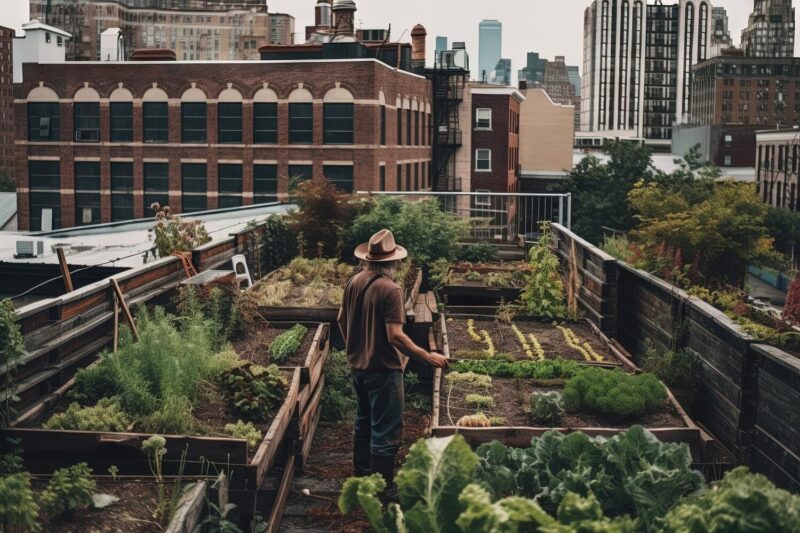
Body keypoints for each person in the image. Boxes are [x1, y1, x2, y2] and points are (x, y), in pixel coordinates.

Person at [337, 229, 448, 489]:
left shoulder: (353, 282)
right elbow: (396, 336)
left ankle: (362, 476)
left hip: (358, 367)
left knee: (363, 423)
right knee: (386, 431)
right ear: (393, 262)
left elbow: (341, 319)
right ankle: (383, 490)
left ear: (368, 259)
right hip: (383, 370)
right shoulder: (391, 290)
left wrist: (353, 346)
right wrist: (427, 356)